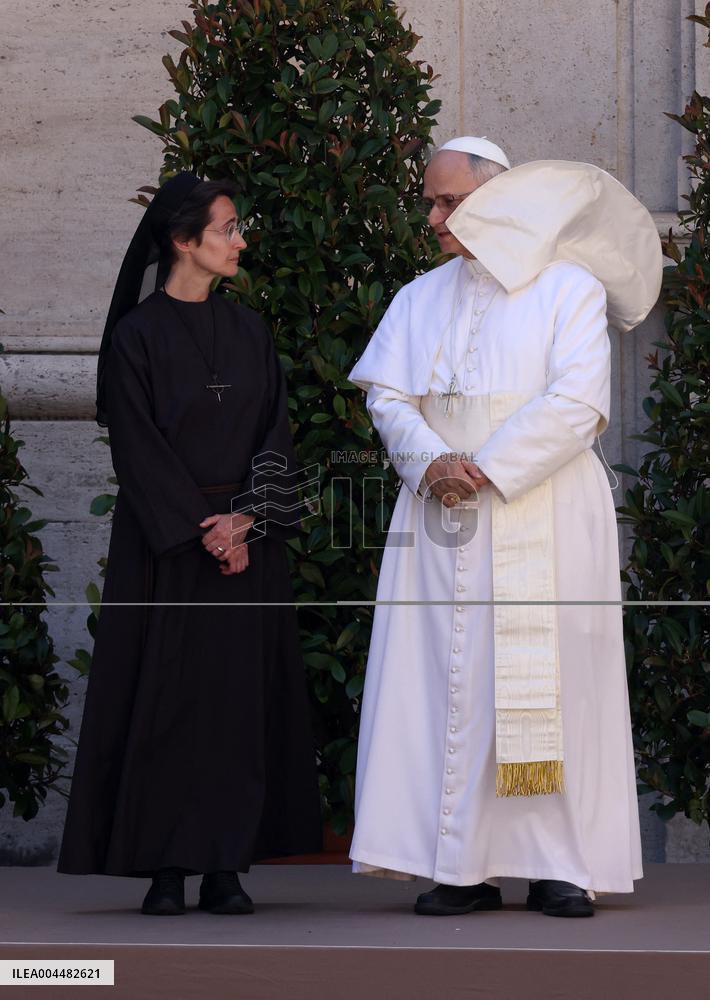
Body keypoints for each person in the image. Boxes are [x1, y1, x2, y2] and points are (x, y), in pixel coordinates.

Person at [348, 137, 662, 917]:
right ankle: (459, 865)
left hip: (543, 505)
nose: (433, 216)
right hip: (440, 507)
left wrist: (483, 467)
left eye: (448, 201)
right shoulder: (420, 298)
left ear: (499, 199)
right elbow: (387, 397)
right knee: (445, 681)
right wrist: (432, 463)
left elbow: (578, 404)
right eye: (430, 200)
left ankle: (560, 865)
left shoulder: (569, 289)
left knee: (558, 683)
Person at [58, 173, 322, 915]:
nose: (243, 240)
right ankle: (166, 867)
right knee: (164, 700)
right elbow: (135, 446)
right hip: (166, 547)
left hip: (246, 546)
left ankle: (226, 868)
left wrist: (246, 521)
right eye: (229, 228)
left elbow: (276, 433)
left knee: (237, 704)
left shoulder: (250, 333)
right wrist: (199, 528)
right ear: (183, 241)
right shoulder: (135, 338)